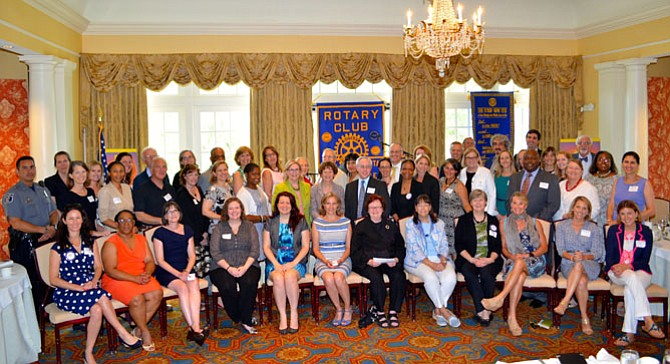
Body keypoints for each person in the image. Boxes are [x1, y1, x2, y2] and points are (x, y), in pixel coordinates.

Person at [49, 205, 142, 364]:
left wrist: (93, 281)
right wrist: (78, 287)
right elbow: (53, 279)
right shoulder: (57, 247)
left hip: (89, 287)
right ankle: (123, 333)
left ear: (82, 220)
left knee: (97, 310)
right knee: (101, 297)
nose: (75, 222)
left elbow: (98, 267)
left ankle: (88, 353)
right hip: (68, 291)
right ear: (64, 221)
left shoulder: (90, 242)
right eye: (70, 218)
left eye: (78, 218)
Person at [481, 192, 548, 336]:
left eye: (521, 203)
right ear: (510, 205)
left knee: (519, 263)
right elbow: (504, 248)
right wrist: (512, 256)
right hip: (514, 260)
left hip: (535, 260)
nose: (517, 206)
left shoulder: (536, 223)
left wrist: (527, 255)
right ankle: (512, 317)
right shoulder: (503, 223)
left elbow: (544, 247)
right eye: (514, 203)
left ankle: (500, 298)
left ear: (526, 206)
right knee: (520, 275)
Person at [101, 210, 163, 351]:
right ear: (116, 224)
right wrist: (134, 278)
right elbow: (110, 270)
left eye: (129, 220)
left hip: (140, 275)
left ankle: (137, 331)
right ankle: (145, 331)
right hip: (117, 279)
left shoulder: (141, 239)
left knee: (157, 294)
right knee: (137, 299)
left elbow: (150, 261)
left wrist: (147, 273)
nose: (126, 223)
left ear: (134, 223)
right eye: (122, 221)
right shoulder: (110, 243)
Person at [606, 200, 665, 346]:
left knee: (629, 288)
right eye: (622, 214)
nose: (626, 217)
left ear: (636, 214)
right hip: (616, 271)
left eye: (630, 213)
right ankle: (647, 319)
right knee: (630, 278)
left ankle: (629, 333)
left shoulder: (645, 232)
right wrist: (617, 267)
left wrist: (628, 266)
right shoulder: (614, 231)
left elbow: (644, 260)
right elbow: (610, 258)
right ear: (619, 216)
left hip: (640, 271)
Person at [3, 156, 58, 312]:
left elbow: (54, 212)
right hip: (25, 244)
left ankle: (47, 314)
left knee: (48, 278)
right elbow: (15, 222)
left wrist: (52, 227)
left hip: (47, 239)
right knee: (31, 283)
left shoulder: (43, 190)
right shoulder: (12, 194)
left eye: (32, 167)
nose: (29, 171)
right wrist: (42, 230)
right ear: (17, 171)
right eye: (25, 168)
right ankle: (32, 317)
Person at [151, 202, 208, 345]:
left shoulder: (187, 230)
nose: (173, 214)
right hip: (167, 271)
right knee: (182, 288)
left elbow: (192, 256)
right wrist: (178, 274)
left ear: (180, 213)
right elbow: (160, 260)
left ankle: (195, 327)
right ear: (165, 216)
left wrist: (187, 271)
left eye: (175, 211)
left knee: (193, 284)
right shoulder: (159, 233)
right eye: (169, 212)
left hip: (185, 268)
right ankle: (195, 328)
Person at [405, 194, 460, 327]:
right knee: (430, 278)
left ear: (430, 207)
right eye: (419, 205)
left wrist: (442, 261)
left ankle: (438, 310)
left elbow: (444, 244)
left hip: (438, 258)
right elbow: (414, 249)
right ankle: (444, 311)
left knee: (451, 277)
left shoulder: (439, 223)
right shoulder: (410, 224)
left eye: (426, 204)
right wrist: (431, 265)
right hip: (418, 261)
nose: (423, 207)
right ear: (415, 208)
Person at [351, 194, 406, 328]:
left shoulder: (390, 225)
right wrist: (368, 261)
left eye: (378, 207)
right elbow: (355, 250)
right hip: (368, 262)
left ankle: (393, 311)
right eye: (372, 208)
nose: (375, 210)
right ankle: (380, 311)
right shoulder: (361, 226)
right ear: (367, 209)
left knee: (399, 275)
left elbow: (400, 246)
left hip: (388, 261)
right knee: (376, 278)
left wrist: (397, 259)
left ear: (383, 209)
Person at [553, 197, 605, 335]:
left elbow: (598, 252)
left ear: (588, 211)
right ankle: (584, 317)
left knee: (579, 264)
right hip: (568, 262)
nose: (580, 211)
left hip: (590, 263)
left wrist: (583, 257)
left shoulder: (593, 228)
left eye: (584, 208)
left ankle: (565, 301)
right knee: (581, 281)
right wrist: (572, 257)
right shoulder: (562, 226)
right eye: (578, 207)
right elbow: (560, 250)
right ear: (573, 208)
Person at [210, 197, 261, 334]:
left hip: (248, 264)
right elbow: (215, 252)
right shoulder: (219, 228)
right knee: (227, 285)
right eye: (230, 208)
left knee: (249, 282)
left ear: (241, 209)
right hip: (222, 266)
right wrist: (229, 268)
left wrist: (244, 267)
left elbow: (255, 250)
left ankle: (246, 319)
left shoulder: (249, 226)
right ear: (226, 211)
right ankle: (237, 316)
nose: (234, 211)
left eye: (237, 208)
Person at [263, 192, 310, 334]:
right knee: (278, 277)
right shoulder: (270, 222)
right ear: (277, 205)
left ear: (292, 205)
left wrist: (293, 263)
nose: (284, 205)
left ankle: (294, 313)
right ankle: (283, 315)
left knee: (289, 276)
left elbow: (306, 246)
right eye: (281, 202)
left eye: (287, 203)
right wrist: (276, 264)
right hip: (275, 262)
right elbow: (266, 246)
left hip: (296, 261)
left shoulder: (301, 221)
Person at [454, 190, 503, 327]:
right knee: (469, 273)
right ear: (470, 203)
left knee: (487, 274)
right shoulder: (464, 220)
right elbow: (459, 245)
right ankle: (483, 309)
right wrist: (473, 260)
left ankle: (484, 309)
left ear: (486, 202)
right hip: (469, 259)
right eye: (475, 200)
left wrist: (490, 259)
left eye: (481, 200)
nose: (478, 203)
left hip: (490, 259)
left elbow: (497, 245)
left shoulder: (493, 221)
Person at [312, 192, 354, 326]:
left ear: (338, 205)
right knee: (329, 278)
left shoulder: (346, 222)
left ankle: (348, 308)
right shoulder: (317, 222)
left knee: (338, 278)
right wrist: (325, 261)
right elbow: (315, 249)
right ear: (323, 205)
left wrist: (340, 260)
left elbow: (348, 248)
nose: (331, 207)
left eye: (334, 203)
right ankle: (338, 309)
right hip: (323, 259)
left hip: (343, 258)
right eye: (328, 203)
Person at [506, 149, 560, 222]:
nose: (529, 161)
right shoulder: (514, 177)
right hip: (515, 222)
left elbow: (554, 204)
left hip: (539, 223)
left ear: (539, 160)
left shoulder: (550, 179)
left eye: (533, 158)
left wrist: (536, 220)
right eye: (526, 158)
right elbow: (508, 200)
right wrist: (514, 217)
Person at [200, 160, 233, 277]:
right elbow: (205, 211)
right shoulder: (212, 190)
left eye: (225, 169)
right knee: (220, 261)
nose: (223, 173)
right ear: (214, 173)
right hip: (217, 230)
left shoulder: (229, 188)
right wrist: (222, 218)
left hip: (229, 229)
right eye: (219, 170)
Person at [236, 163, 272, 263]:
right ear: (246, 175)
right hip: (253, 230)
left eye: (258, 174)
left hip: (263, 229)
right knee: (255, 258)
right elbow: (244, 216)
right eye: (253, 174)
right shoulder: (243, 193)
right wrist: (262, 218)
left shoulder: (259, 189)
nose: (257, 177)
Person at [607, 151, 656, 225]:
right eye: (626, 162)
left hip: (635, 226)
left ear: (638, 165)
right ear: (622, 164)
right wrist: (609, 220)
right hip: (616, 225)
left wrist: (631, 219)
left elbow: (652, 211)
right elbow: (611, 204)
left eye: (632, 162)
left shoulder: (645, 184)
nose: (629, 165)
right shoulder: (617, 182)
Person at [57, 161, 102, 236]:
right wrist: (92, 233)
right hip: (77, 236)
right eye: (77, 172)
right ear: (71, 175)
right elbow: (70, 223)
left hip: (93, 235)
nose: (81, 175)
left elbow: (93, 217)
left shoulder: (90, 192)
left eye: (83, 172)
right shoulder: (66, 196)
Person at [174, 164, 208, 261]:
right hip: (191, 237)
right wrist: (199, 238)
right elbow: (185, 219)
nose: (194, 178)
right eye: (190, 175)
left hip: (203, 234)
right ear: (184, 176)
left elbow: (204, 211)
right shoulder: (181, 195)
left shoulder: (199, 189)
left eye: (196, 175)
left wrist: (205, 233)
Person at [438, 158, 471, 256]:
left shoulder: (459, 186)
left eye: (452, 169)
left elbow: (466, 205)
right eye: (447, 168)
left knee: (454, 247)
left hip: (454, 222)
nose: (449, 171)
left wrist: (472, 220)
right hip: (441, 220)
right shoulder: (441, 181)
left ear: (456, 171)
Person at [344, 156, 391, 222]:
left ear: (371, 168)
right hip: (354, 227)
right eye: (362, 167)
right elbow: (347, 210)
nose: (365, 170)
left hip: (373, 227)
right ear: (357, 168)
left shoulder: (380, 185)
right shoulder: (350, 187)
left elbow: (386, 208)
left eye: (368, 167)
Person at [133, 157, 176, 229]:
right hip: (150, 230)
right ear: (151, 170)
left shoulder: (170, 189)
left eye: (164, 167)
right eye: (158, 167)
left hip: (170, 228)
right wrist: (161, 220)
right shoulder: (142, 190)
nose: (161, 170)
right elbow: (139, 215)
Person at [459, 147, 497, 216]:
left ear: (477, 158)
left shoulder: (486, 172)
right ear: (465, 159)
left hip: (482, 210)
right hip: (465, 211)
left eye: (474, 157)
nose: (471, 160)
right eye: (468, 158)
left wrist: (489, 213)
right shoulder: (462, 173)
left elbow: (492, 194)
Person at [273, 159, 312, 224]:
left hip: (306, 224)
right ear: (287, 172)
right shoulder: (280, 188)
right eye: (291, 170)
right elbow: (274, 208)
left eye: (297, 170)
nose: (294, 172)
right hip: (288, 225)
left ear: (300, 171)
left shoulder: (307, 187)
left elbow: (310, 208)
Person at [585, 150, 618, 227]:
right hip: (591, 219)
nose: (603, 162)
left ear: (611, 162)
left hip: (610, 219)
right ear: (595, 162)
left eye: (607, 160)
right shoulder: (588, 178)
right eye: (600, 159)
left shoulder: (617, 179)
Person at [98, 161, 134, 231]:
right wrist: (122, 228)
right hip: (113, 232)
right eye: (115, 171)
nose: (118, 174)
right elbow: (103, 218)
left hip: (129, 231)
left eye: (121, 171)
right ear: (109, 173)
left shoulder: (127, 188)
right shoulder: (105, 191)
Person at [493, 150, 516, 217]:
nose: (504, 160)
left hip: (512, 210)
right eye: (502, 158)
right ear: (499, 161)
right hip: (497, 209)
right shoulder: (495, 176)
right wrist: (496, 211)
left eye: (507, 158)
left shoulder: (516, 176)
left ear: (511, 160)